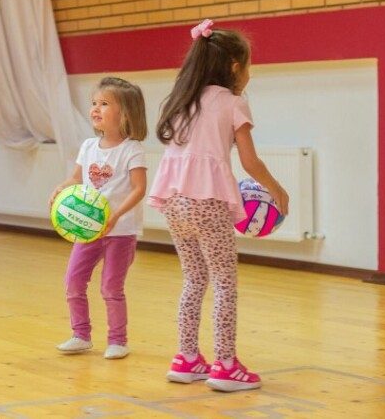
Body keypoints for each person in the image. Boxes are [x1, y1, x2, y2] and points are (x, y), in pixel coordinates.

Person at [148, 19, 289, 392]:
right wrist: (276, 189)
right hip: (208, 203)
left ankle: (186, 358)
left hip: (174, 201)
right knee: (225, 281)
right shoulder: (233, 102)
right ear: (234, 67)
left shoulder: (181, 100)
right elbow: (250, 162)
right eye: (249, 66)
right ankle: (226, 364)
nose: (249, 74)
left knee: (194, 278)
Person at [48, 77, 148, 360]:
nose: (95, 108)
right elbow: (76, 178)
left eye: (104, 104)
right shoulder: (89, 146)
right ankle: (80, 335)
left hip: (121, 232)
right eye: (94, 103)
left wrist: (116, 216)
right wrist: (61, 187)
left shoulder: (132, 149)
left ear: (124, 113)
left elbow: (139, 189)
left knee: (111, 288)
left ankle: (118, 340)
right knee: (73, 282)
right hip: (89, 231)